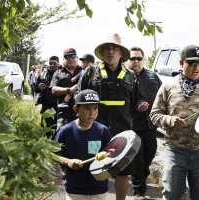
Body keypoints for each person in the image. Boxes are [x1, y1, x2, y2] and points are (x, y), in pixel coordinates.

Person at [81, 33, 148, 200]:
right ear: (103, 53)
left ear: (120, 53)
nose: (110, 52)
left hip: (122, 132)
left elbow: (138, 97)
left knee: (123, 171)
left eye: (114, 49)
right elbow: (80, 96)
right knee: (94, 166)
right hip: (95, 131)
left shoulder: (130, 75)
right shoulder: (91, 72)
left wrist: (140, 104)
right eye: (107, 49)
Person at [149, 44, 199, 200]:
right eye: (192, 63)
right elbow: (154, 114)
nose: (197, 68)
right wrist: (169, 119)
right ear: (181, 63)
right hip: (175, 150)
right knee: (172, 194)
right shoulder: (168, 87)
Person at [54, 89, 112, 200]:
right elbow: (54, 154)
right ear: (76, 109)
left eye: (95, 108)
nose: (92, 113)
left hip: (99, 189)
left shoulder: (103, 131)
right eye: (87, 108)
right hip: (75, 190)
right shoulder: (66, 131)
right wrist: (68, 162)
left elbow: (111, 155)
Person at [127, 47, 162, 200]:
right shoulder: (124, 77)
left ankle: (142, 177)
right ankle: (138, 191)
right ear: (127, 60)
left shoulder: (152, 76)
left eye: (139, 58)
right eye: (133, 58)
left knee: (150, 154)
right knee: (137, 158)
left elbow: (163, 95)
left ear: (143, 60)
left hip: (151, 124)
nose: (136, 61)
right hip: (133, 125)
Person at [50, 48, 82, 131]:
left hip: (81, 115)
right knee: (61, 142)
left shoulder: (84, 72)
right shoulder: (58, 73)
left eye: (73, 56)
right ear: (63, 59)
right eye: (67, 57)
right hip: (63, 115)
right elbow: (54, 90)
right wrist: (68, 90)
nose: (70, 59)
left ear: (77, 58)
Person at [35, 56, 60, 139]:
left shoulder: (62, 74)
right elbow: (35, 89)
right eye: (50, 63)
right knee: (45, 130)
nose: (52, 65)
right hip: (46, 107)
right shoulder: (43, 74)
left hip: (58, 106)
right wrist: (38, 87)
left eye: (54, 63)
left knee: (56, 131)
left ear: (58, 64)